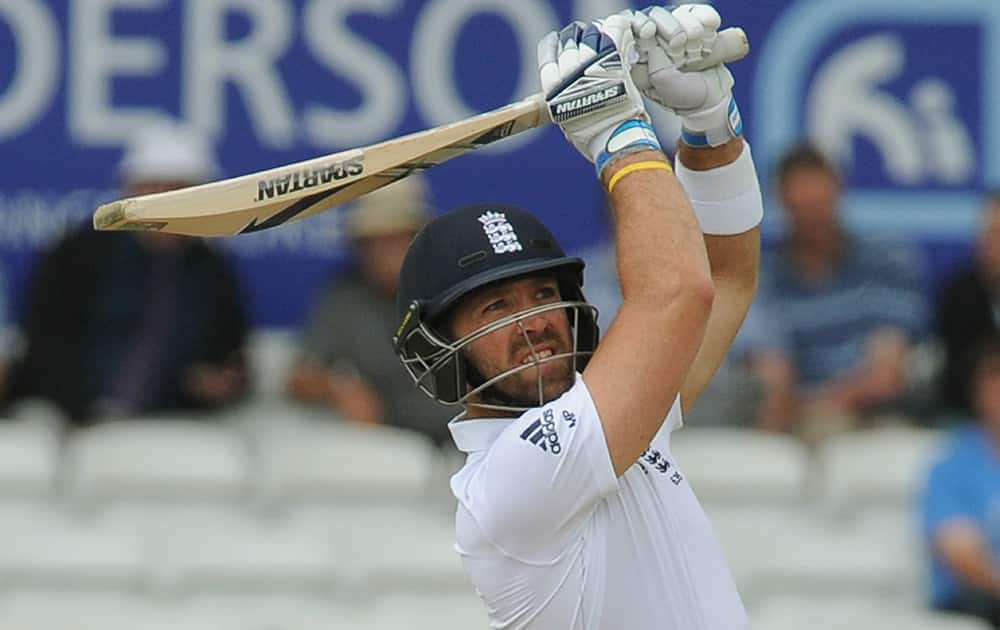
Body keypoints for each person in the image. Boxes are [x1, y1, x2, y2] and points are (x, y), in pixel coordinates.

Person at [393, 6, 760, 628]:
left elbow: (727, 278)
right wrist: (618, 132)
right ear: (441, 343)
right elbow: (680, 292)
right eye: (496, 308)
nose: (533, 322)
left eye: (542, 296)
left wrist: (707, 128)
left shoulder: (613, 422)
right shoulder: (509, 485)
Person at [5, 123, 250, 424]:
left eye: (179, 190)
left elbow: (233, 360)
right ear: (129, 190)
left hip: (167, 419)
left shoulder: (213, 273)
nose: (165, 201)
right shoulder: (79, 252)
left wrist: (219, 383)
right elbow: (43, 339)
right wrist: (82, 409)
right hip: (65, 410)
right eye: (154, 188)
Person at [749, 143, 929, 438]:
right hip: (795, 425)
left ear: (839, 192)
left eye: (819, 206)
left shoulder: (887, 264)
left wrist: (819, 405)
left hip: (880, 417)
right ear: (782, 203)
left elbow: (886, 376)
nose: (812, 220)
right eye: (801, 209)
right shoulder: (765, 279)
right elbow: (773, 378)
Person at [287, 176, 453, 445]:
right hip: (387, 442)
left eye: (396, 238)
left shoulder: (457, 290)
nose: (384, 253)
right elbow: (299, 377)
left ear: (419, 239)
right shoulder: (344, 297)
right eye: (374, 242)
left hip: (467, 441)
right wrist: (340, 387)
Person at [921, 338, 1000, 628]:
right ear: (978, 394)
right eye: (995, 383)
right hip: (976, 601)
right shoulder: (952, 465)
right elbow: (963, 557)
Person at [936, 192, 1000, 417]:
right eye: (984, 233)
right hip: (970, 421)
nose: (987, 243)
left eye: (996, 234)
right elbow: (957, 380)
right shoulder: (960, 295)